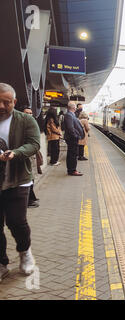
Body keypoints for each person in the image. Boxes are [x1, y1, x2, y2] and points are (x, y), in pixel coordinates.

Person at [0, 83, 40, 281]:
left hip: (18, 179)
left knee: (16, 222)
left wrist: (15, 153)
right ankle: (1, 263)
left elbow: (34, 144)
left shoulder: (25, 120)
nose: (1, 105)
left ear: (14, 102)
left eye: (6, 102)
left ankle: (25, 252)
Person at [22, 107, 41, 208]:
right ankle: (28, 200)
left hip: (32, 156)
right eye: (26, 113)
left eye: (30, 113)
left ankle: (31, 198)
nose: (29, 115)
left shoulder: (32, 125)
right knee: (28, 179)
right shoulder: (20, 126)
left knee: (32, 178)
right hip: (24, 156)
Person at [64, 102, 85, 176]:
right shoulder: (69, 115)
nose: (76, 108)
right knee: (72, 155)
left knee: (72, 154)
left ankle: (72, 169)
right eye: (75, 107)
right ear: (73, 107)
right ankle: (72, 170)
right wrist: (76, 136)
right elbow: (70, 128)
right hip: (72, 139)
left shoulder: (71, 115)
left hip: (72, 138)